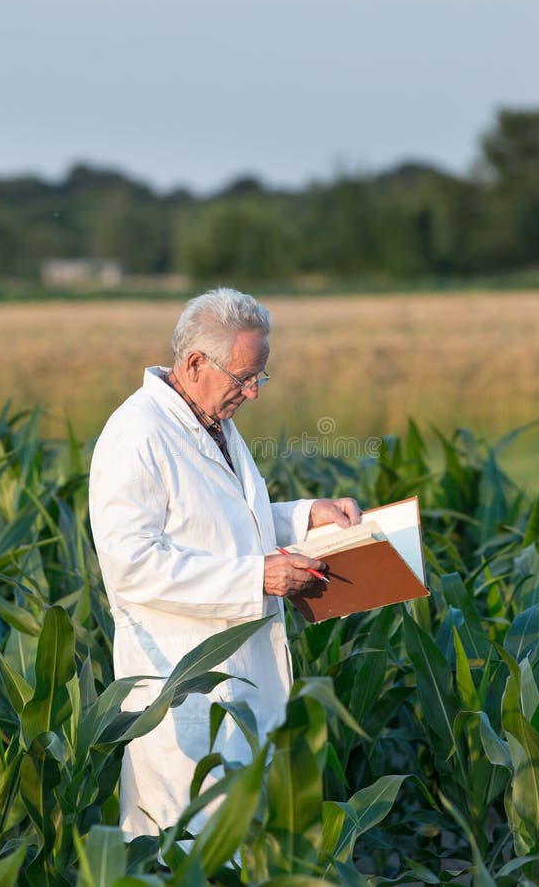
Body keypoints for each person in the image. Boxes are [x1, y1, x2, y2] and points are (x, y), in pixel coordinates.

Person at [89, 287, 361, 841]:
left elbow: (227, 522)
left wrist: (309, 516)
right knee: (183, 851)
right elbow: (131, 565)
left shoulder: (213, 420)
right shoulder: (136, 434)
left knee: (242, 847)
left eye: (260, 377)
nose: (253, 393)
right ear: (194, 363)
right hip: (186, 687)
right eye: (243, 377)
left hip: (243, 680)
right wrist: (255, 576)